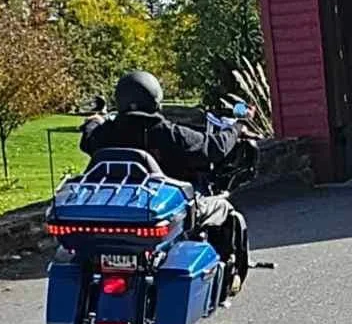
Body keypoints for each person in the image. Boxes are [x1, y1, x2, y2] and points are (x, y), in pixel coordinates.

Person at [82, 70, 254, 289]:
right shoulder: (169, 134)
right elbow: (215, 148)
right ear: (155, 98)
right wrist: (236, 128)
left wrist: (94, 120)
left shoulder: (106, 134)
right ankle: (228, 280)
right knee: (223, 207)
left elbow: (88, 139)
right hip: (165, 210)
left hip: (117, 210)